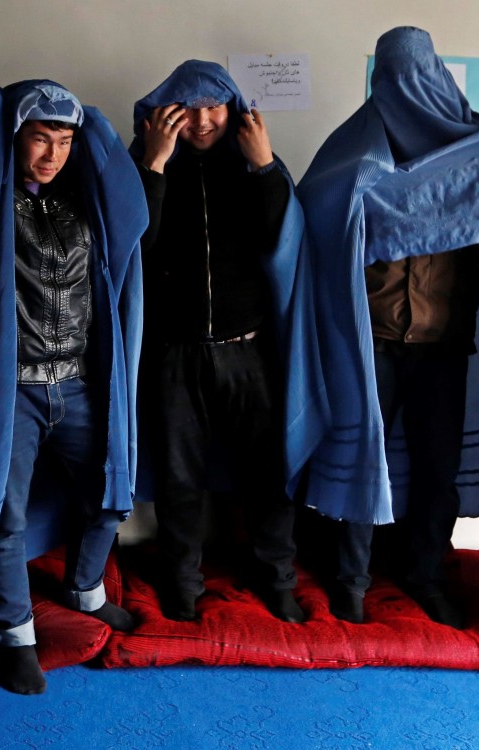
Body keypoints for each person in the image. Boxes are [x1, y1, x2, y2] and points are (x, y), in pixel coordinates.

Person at [297, 27, 479, 626]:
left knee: (436, 470)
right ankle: (351, 579)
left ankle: (428, 574)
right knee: (364, 458)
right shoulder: (358, 151)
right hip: (372, 342)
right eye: (393, 78)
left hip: (443, 342)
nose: (406, 90)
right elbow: (317, 207)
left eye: (417, 76)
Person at [0, 80, 148, 695]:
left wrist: (87, 121)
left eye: (65, 141)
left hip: (78, 382)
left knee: (111, 487)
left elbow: (131, 203)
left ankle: (85, 588)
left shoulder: (81, 205)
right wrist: (0, 103)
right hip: (12, 389)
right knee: (5, 515)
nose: (52, 154)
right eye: (40, 138)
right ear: (14, 138)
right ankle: (16, 635)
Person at [131, 60, 327, 624]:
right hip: (175, 351)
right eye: (187, 109)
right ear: (166, 113)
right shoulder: (140, 165)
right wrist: (155, 164)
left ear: (234, 109)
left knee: (269, 472)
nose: (201, 120)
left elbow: (281, 240)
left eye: (213, 107)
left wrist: (263, 164)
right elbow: (134, 245)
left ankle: (278, 578)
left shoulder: (254, 164)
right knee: (178, 475)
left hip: (248, 349)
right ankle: (182, 581)